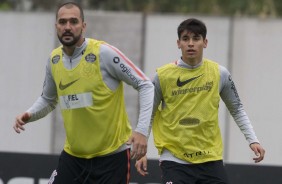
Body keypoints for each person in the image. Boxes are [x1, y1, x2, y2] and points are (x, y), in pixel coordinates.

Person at [13, 2, 154, 184]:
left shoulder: (103, 53)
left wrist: (142, 131)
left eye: (74, 21)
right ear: (56, 26)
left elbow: (145, 85)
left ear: (83, 26)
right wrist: (29, 114)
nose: (68, 27)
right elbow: (49, 99)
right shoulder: (54, 60)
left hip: (111, 160)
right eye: (62, 22)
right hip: (73, 159)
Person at [135, 18, 265, 184]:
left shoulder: (220, 73)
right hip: (175, 159)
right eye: (185, 39)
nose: (190, 44)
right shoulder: (162, 76)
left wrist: (252, 139)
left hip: (210, 159)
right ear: (178, 43)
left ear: (205, 42)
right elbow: (149, 113)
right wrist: (142, 150)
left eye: (196, 39)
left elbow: (237, 109)